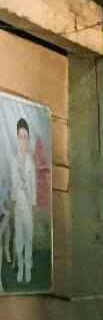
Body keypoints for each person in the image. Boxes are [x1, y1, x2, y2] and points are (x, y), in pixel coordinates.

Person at [10, 118, 35, 284]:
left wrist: (31, 201)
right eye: (20, 136)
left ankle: (27, 266)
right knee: (18, 239)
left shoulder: (30, 162)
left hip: (28, 206)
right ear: (16, 138)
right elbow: (13, 185)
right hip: (18, 206)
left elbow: (33, 185)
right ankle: (20, 267)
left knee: (29, 237)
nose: (23, 140)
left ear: (28, 139)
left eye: (25, 137)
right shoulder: (13, 161)